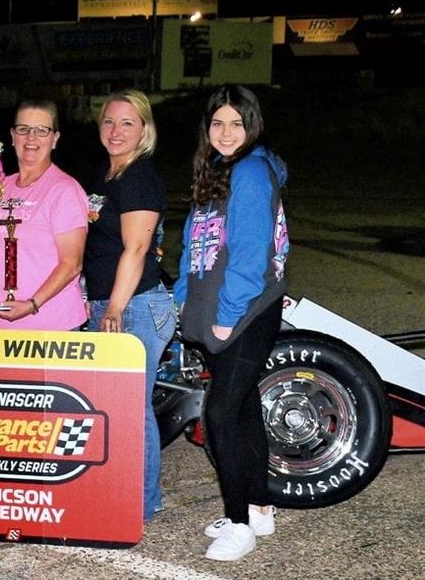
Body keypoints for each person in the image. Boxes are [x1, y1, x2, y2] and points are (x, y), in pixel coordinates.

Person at [174, 85, 288, 562]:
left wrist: (224, 319)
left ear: (251, 127)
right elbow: (192, 246)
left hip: (247, 313)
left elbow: (251, 253)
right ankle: (260, 509)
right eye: (218, 123)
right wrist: (183, 299)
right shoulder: (217, 171)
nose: (226, 132)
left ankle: (239, 522)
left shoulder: (252, 173)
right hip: (222, 310)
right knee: (241, 411)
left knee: (219, 414)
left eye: (236, 124)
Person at [83, 89, 175, 524]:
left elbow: (137, 249)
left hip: (134, 305)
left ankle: (141, 503)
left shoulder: (139, 176)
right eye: (108, 122)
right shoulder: (105, 174)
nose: (115, 131)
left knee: (131, 410)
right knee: (111, 408)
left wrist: (113, 309)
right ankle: (121, 492)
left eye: (127, 123)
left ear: (144, 130)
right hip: (110, 301)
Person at [0, 99, 87, 330]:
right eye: (23, 129)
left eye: (42, 130)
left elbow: (72, 264)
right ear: (12, 136)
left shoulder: (64, 190)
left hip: (48, 326)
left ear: (55, 139)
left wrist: (32, 304)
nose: (31, 138)